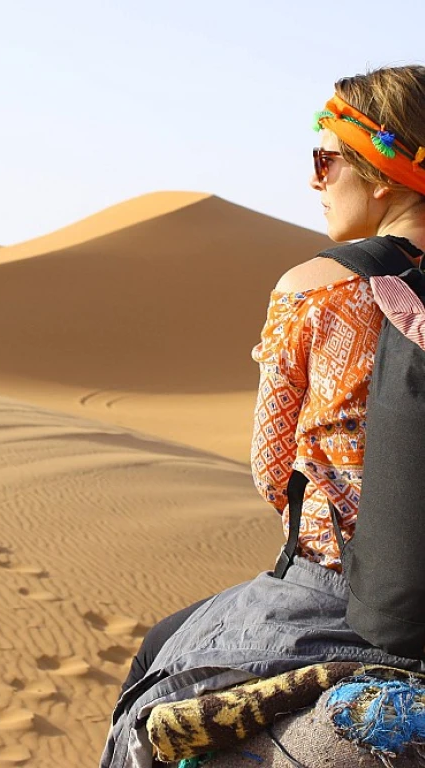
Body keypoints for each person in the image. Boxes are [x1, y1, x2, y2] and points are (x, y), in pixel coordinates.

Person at [103, 65, 425, 767]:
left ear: (381, 173)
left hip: (337, 592)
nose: (315, 181)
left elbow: (273, 469)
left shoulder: (316, 287)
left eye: (325, 158)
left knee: (155, 675)